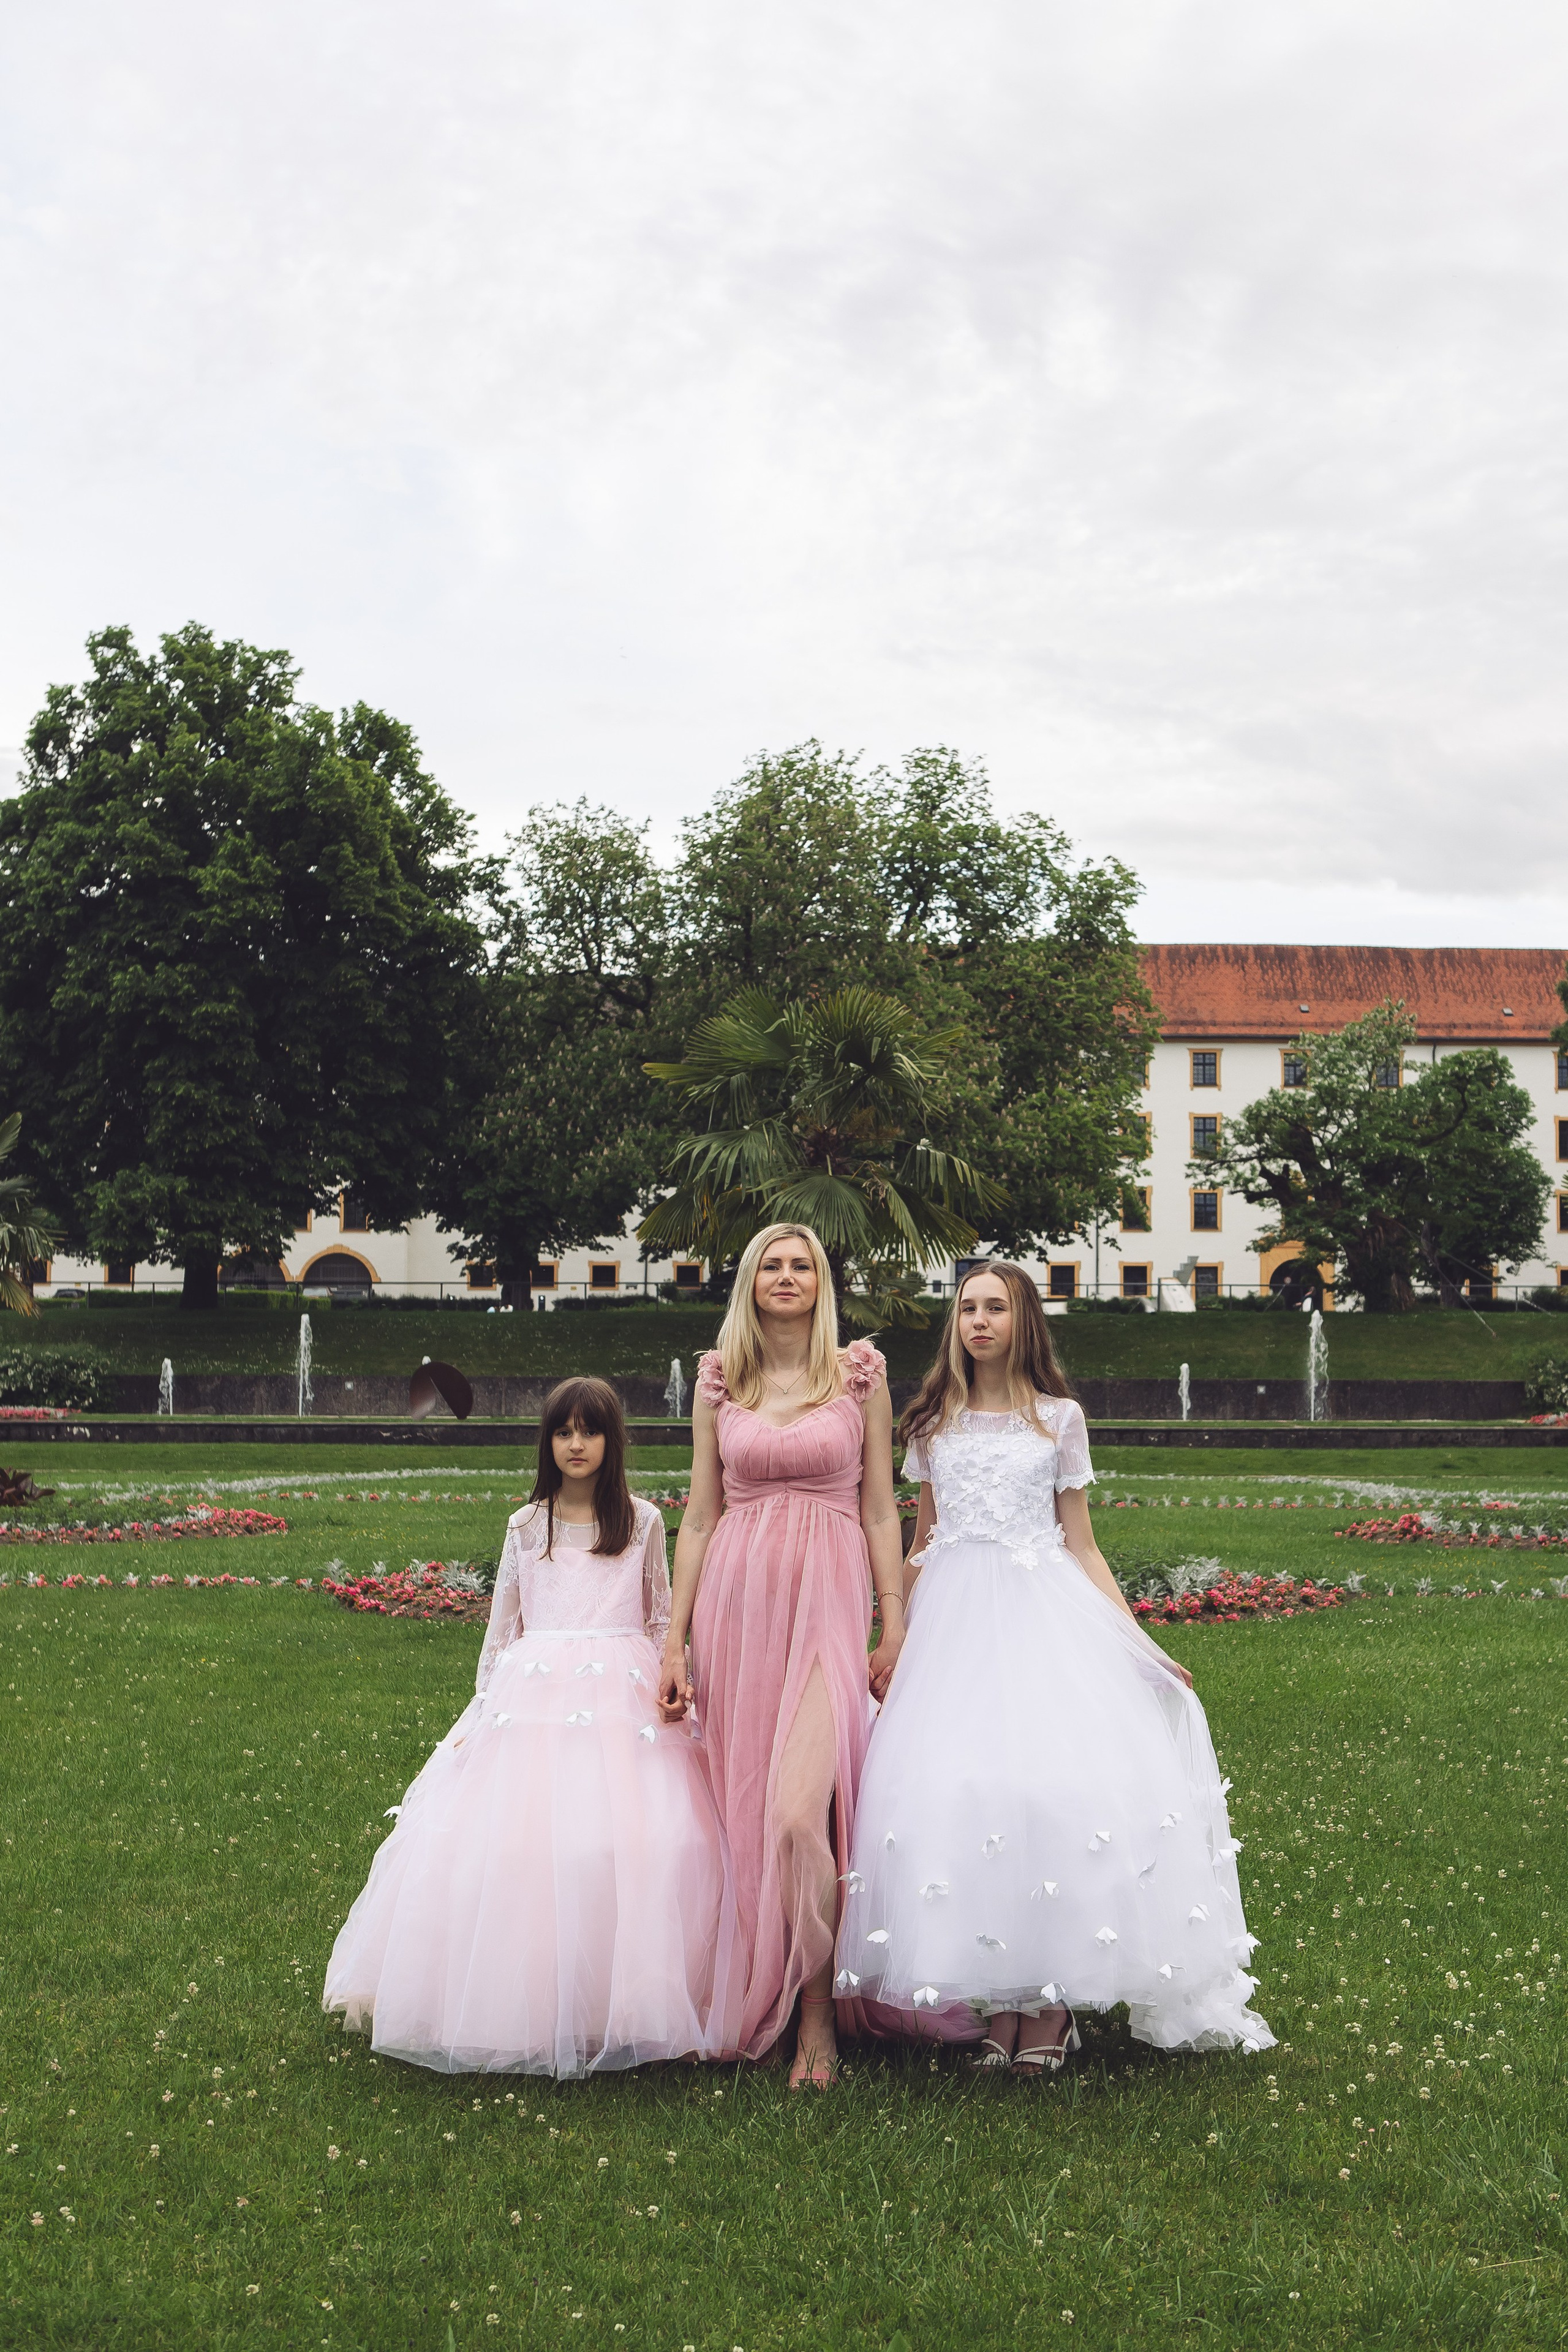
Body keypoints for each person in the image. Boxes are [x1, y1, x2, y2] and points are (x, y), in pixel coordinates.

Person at [839, 1262, 1274, 2071]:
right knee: (962, 1791)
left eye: (995, 1307)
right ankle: (997, 1998)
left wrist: (1135, 1640)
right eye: (967, 1307)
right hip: (954, 1626)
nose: (979, 1321)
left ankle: (1050, 2002)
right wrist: (895, 1633)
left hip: (1040, 1615)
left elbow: (1082, 1542)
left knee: (1047, 1790)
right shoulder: (933, 1424)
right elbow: (923, 1540)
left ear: (1023, 1320)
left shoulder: (1058, 1420)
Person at [323, 1376, 738, 2075]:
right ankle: (526, 2001)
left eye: (591, 1431)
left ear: (613, 1441)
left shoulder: (639, 1522)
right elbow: (502, 1627)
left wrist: (677, 1678)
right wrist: (483, 1709)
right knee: (520, 1847)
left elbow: (661, 1614)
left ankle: (627, 2002)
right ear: (548, 1442)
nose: (577, 1444)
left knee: (641, 1839)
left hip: (622, 1689)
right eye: (564, 1431)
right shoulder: (525, 1524)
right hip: (535, 1688)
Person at [657, 1223, 906, 2088]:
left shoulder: (860, 1376)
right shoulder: (722, 1381)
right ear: (751, 1282)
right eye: (773, 1264)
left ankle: (815, 2017)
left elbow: (881, 1509)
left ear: (822, 1282)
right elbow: (698, 1513)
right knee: (748, 1811)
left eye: (803, 1265)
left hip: (828, 1610)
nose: (789, 1276)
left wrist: (894, 1622)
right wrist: (675, 1640)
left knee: (805, 1814)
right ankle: (757, 1980)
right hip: (736, 1609)